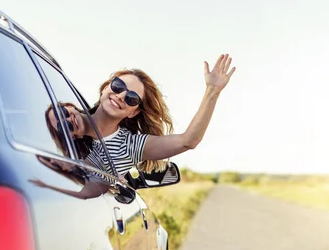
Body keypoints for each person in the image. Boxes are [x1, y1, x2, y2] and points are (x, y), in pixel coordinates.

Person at [45, 53, 236, 179]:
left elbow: (188, 140)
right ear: (105, 88)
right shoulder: (61, 111)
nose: (120, 95)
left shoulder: (130, 146)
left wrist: (213, 90)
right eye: (118, 86)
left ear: (133, 112)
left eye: (131, 98)